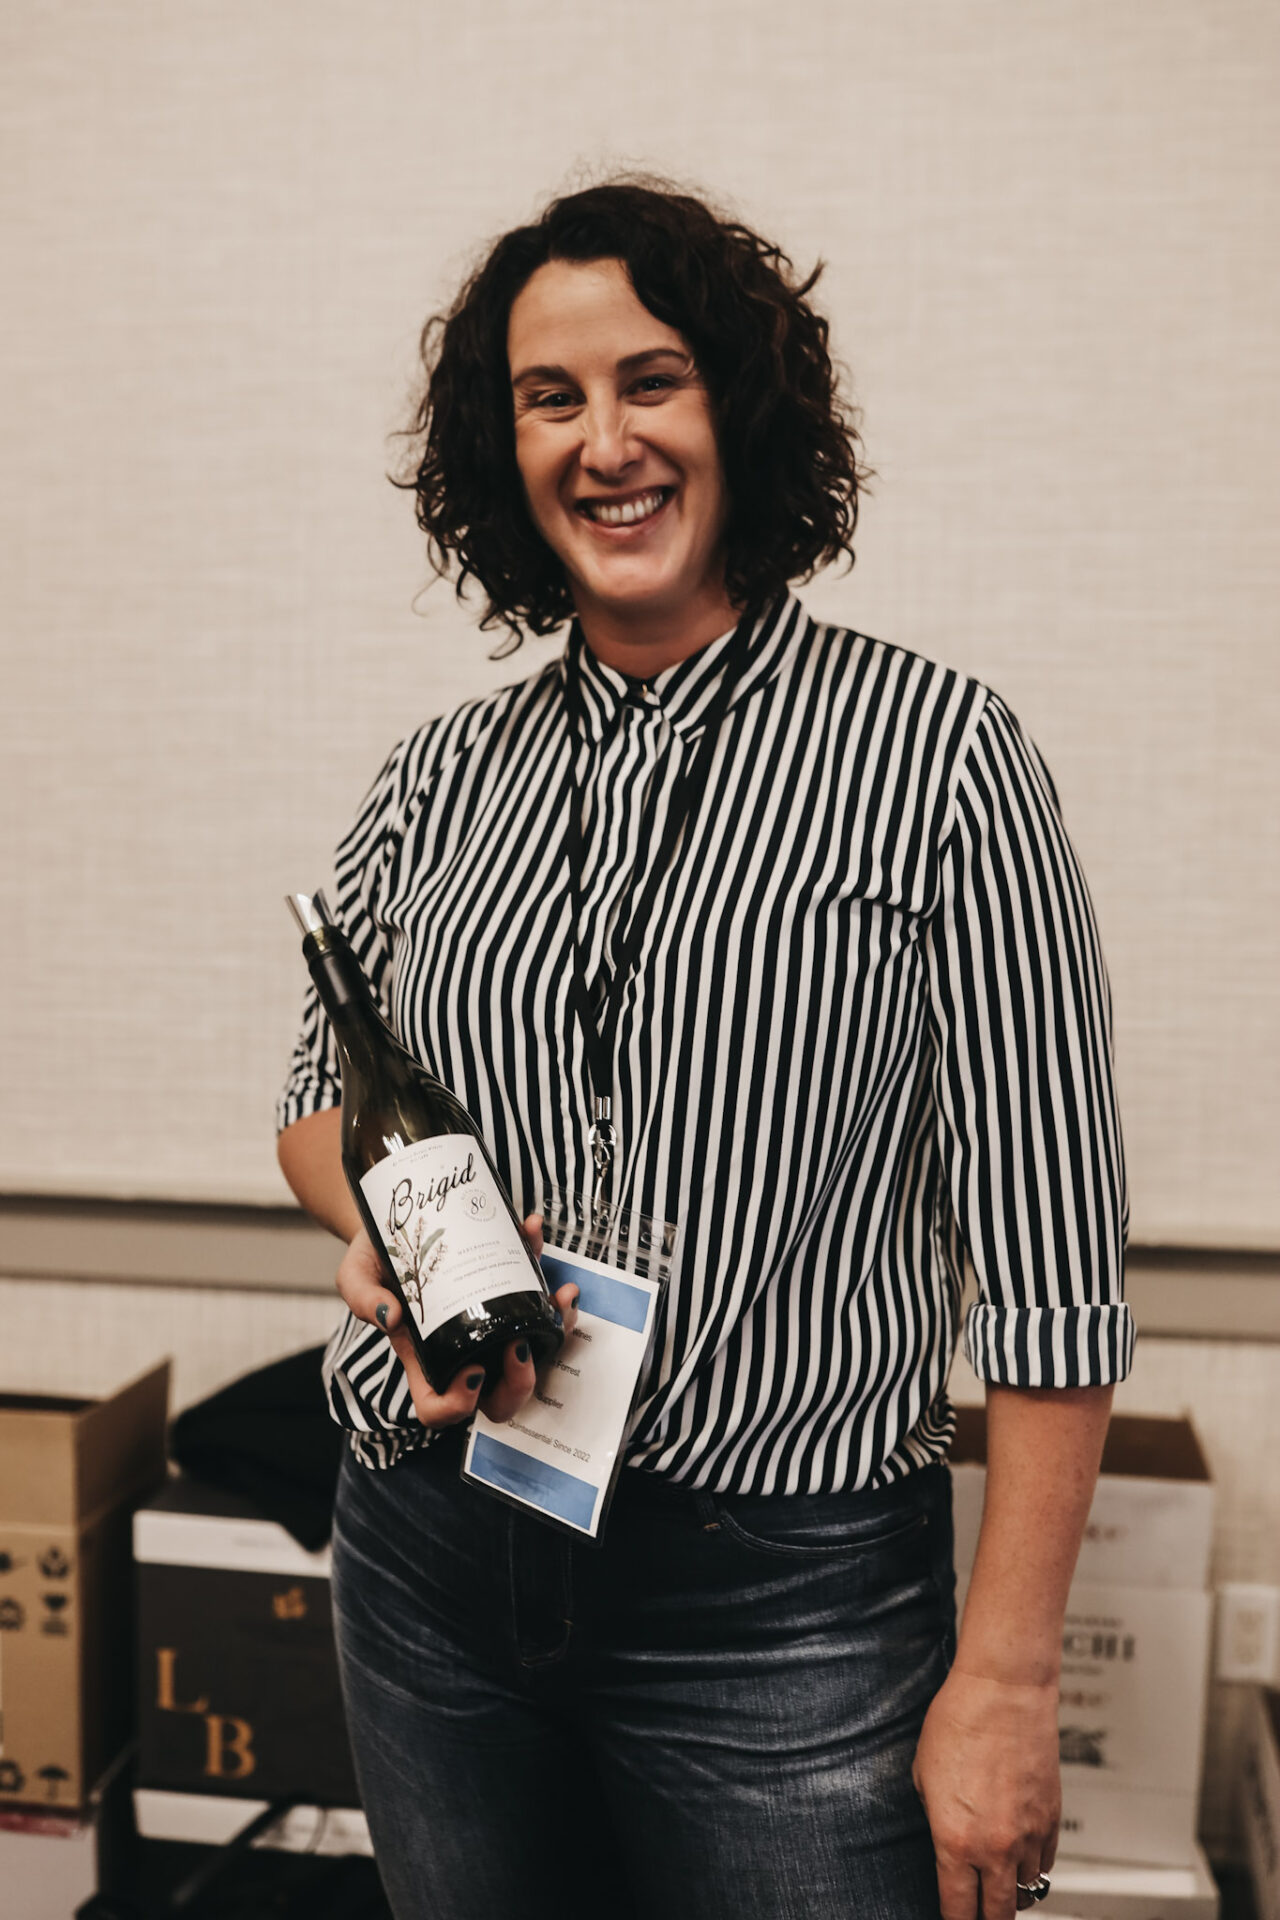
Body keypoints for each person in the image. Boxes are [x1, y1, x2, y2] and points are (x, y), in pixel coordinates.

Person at [277, 177, 1133, 1920]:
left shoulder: (941, 756)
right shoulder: (439, 772)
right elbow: (316, 1105)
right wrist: (385, 1246)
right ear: (502, 450)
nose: (607, 443)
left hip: (783, 1610)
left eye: (650, 381)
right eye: (552, 397)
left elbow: (1050, 1260)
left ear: (735, 411)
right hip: (436, 1549)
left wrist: (1008, 1681)